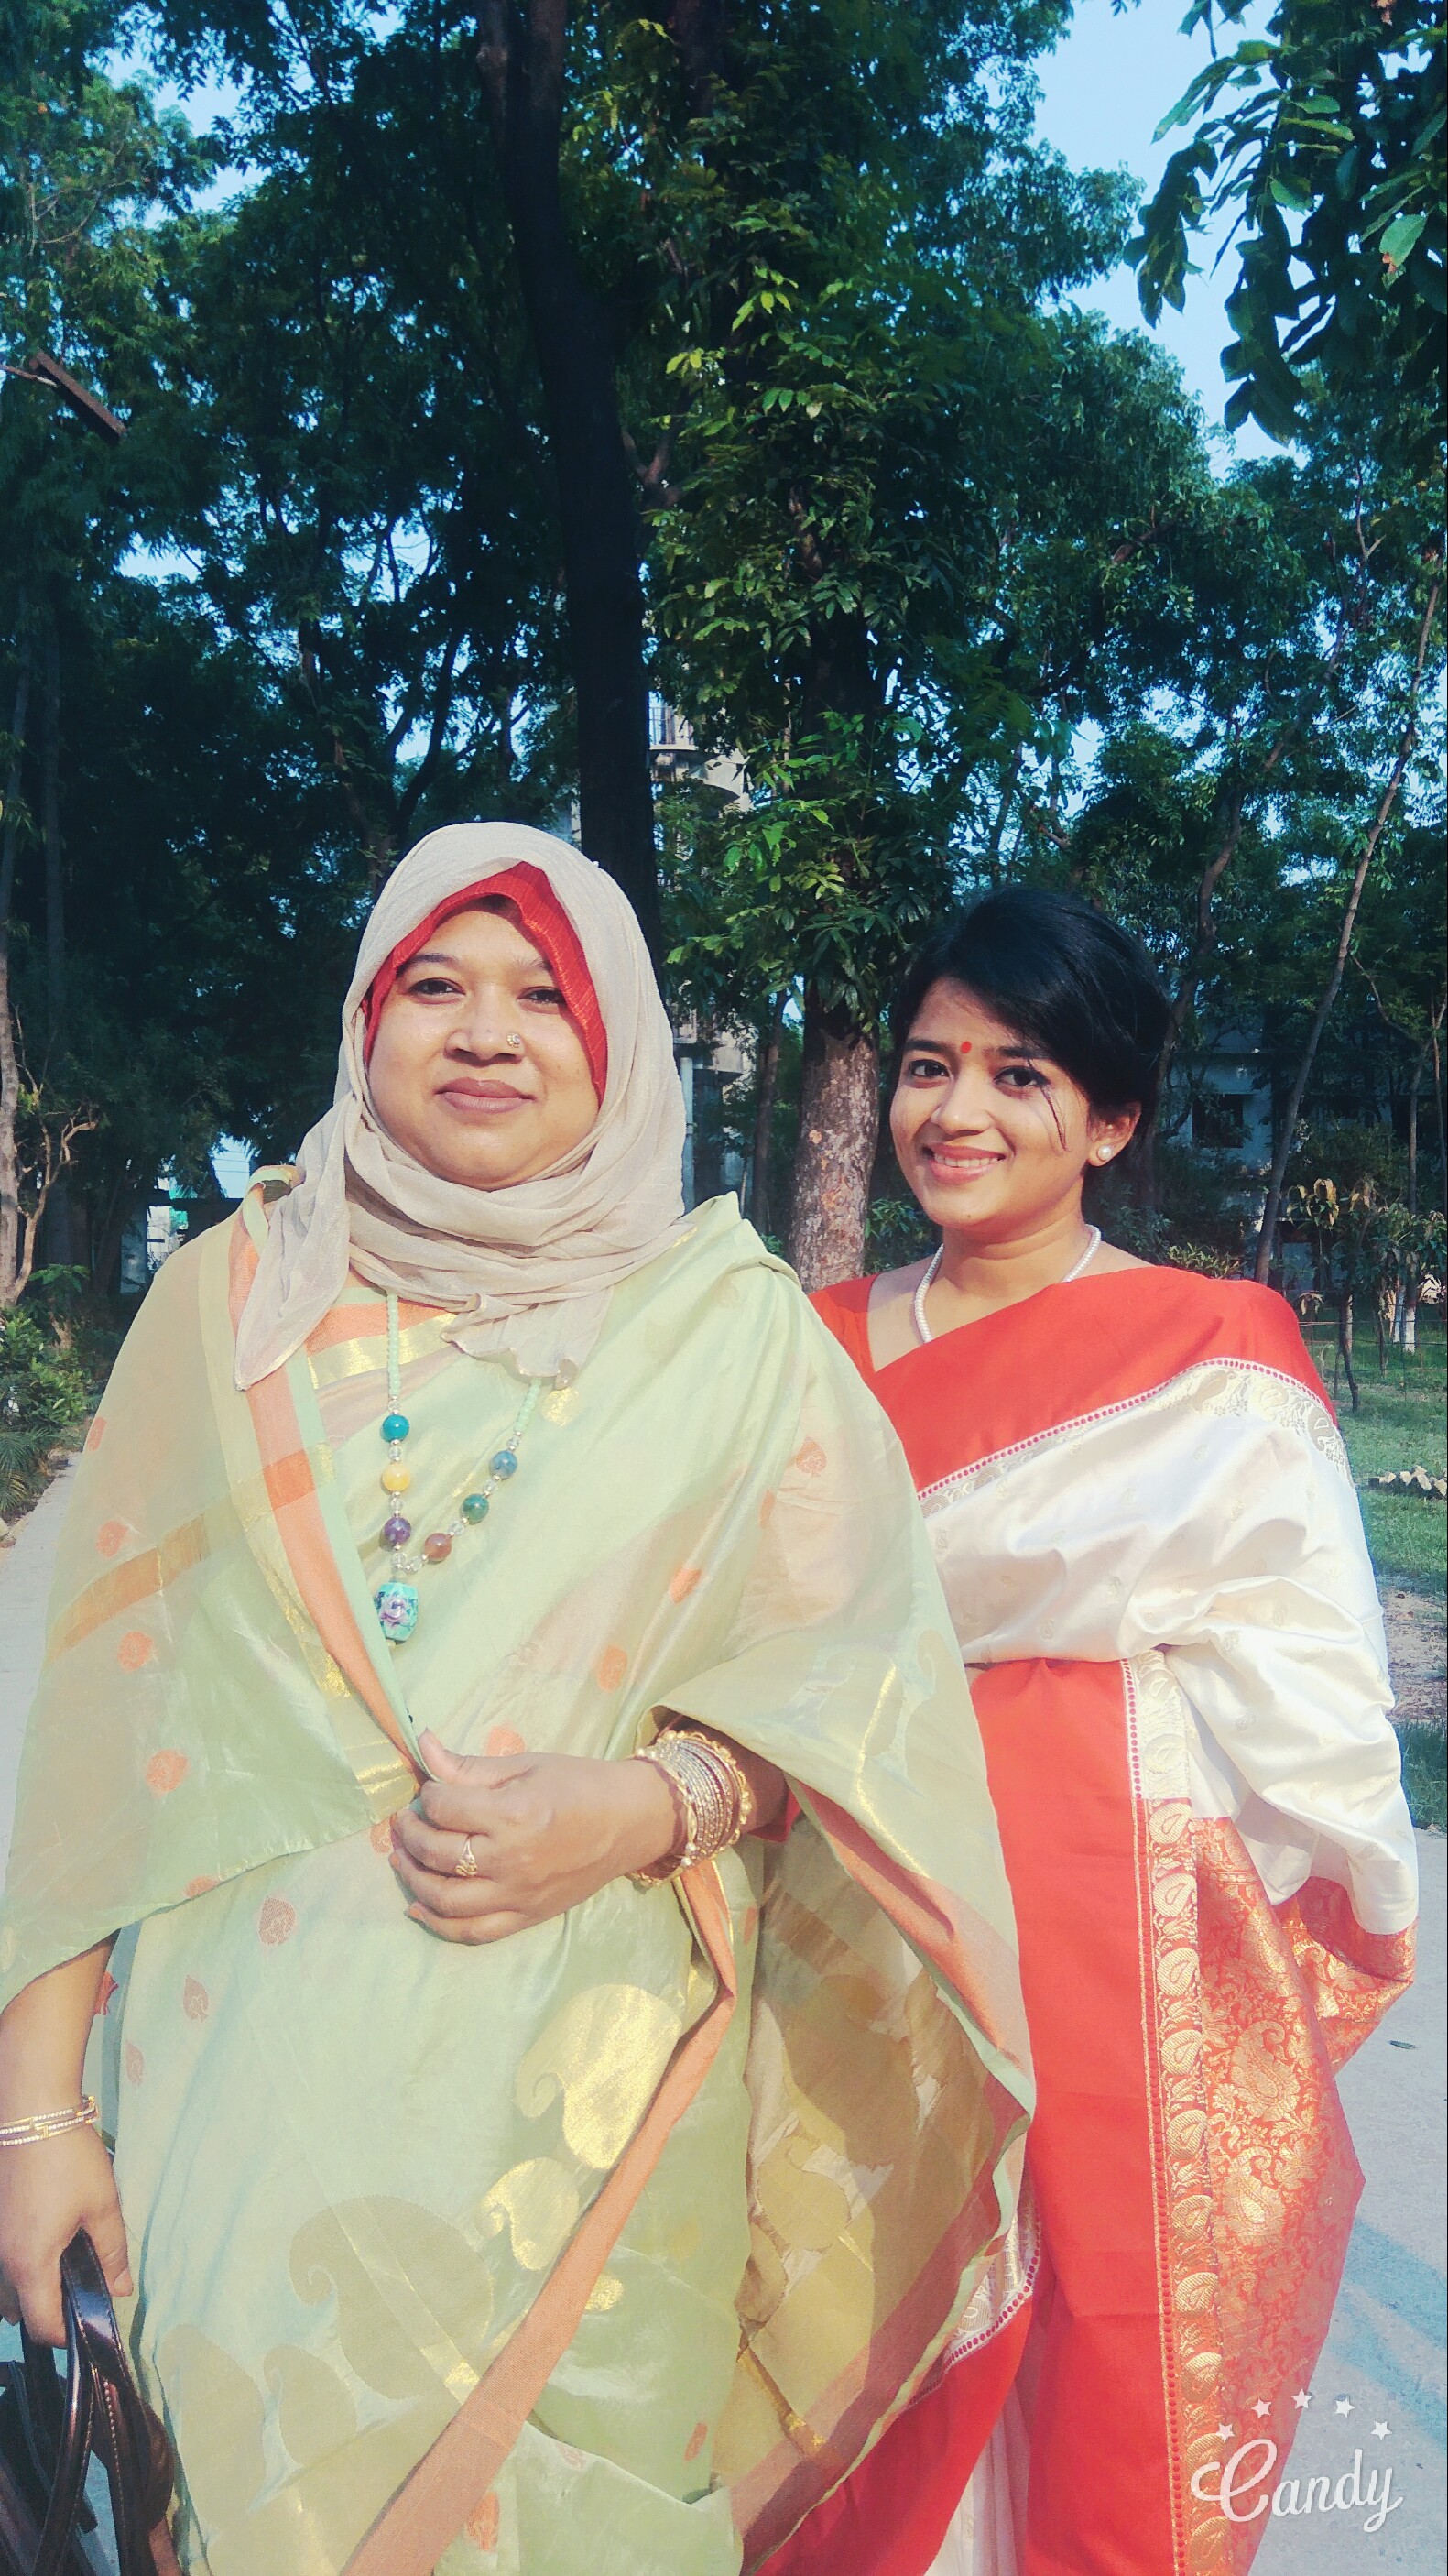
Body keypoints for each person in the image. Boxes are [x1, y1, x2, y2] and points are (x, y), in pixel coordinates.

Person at [0, 825, 1032, 2576]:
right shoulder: (229, 1307)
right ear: (365, 1021)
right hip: (242, 2108)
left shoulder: (733, 1337)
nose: (485, 1032)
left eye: (544, 996)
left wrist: (645, 1807)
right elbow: (91, 1744)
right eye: (434, 985)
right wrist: (37, 2119)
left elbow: (860, 1707)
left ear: (616, 1041)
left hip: (597, 2119)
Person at [811, 885, 1418, 2576]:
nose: (957, 1112)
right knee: (845, 2349)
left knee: (1099, 2365)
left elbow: (1303, 1681)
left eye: (1020, 1075)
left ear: (1110, 1121)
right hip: (843, 1932)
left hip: (1110, 1951)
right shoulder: (809, 1352)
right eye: (929, 1066)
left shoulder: (1211, 1359)